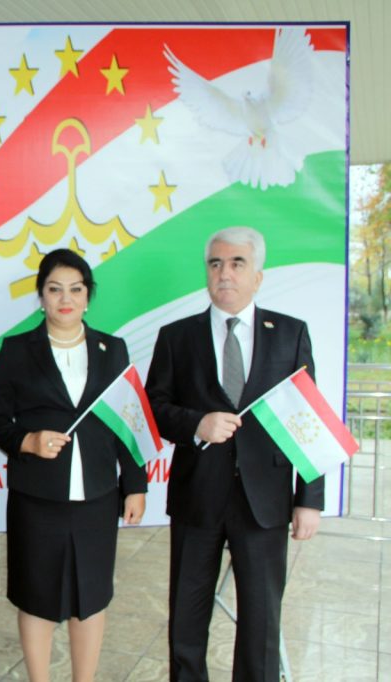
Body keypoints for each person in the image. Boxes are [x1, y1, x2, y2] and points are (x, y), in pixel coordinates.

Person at [145, 226, 323, 681]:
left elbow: (309, 422)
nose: (225, 273)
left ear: (257, 276)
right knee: (186, 621)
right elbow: (155, 409)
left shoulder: (290, 334)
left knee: (261, 624)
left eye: (237, 263)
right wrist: (196, 424)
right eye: (216, 263)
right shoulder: (176, 337)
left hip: (265, 501)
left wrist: (309, 499)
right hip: (197, 497)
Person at [0, 249, 147, 682]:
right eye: (55, 290)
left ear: (88, 296)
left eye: (76, 289)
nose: (66, 299)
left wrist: (135, 484)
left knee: (90, 597)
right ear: (41, 297)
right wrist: (27, 441)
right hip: (37, 497)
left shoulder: (113, 349)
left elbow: (128, 420)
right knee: (37, 597)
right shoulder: (16, 351)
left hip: (97, 496)